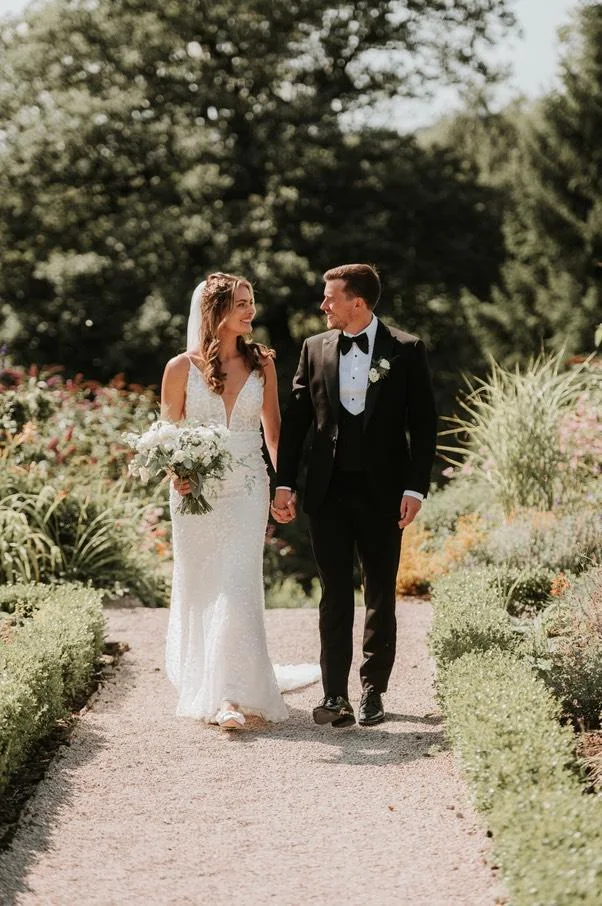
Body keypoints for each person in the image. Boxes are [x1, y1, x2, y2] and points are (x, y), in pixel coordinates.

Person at [272, 264, 437, 728]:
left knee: (381, 593)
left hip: (385, 494)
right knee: (334, 594)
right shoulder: (313, 348)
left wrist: (414, 488)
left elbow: (423, 426)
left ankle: (372, 692)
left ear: (357, 302)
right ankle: (334, 695)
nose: (323, 305)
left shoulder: (406, 350)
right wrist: (284, 483)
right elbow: (298, 422)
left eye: (331, 298)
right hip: (328, 492)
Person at [161, 272, 318, 730]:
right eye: (242, 304)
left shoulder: (263, 363)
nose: (251, 311)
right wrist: (179, 474)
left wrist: (284, 484)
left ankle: (230, 695)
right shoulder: (179, 368)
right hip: (198, 494)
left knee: (237, 583)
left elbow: (274, 431)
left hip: (249, 487)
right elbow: (169, 435)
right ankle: (210, 683)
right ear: (216, 312)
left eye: (252, 302)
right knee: (203, 585)